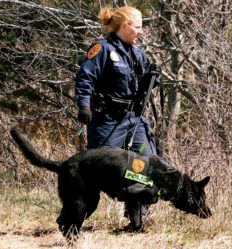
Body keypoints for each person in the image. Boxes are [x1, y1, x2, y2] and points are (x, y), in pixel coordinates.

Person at [74, 6, 161, 222]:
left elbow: (147, 81)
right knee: (98, 170)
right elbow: (84, 79)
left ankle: (138, 216)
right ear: (124, 26)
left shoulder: (138, 53)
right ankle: (73, 216)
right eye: (138, 27)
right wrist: (84, 106)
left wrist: (154, 78)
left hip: (134, 118)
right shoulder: (102, 50)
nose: (141, 32)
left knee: (145, 163)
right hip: (107, 119)